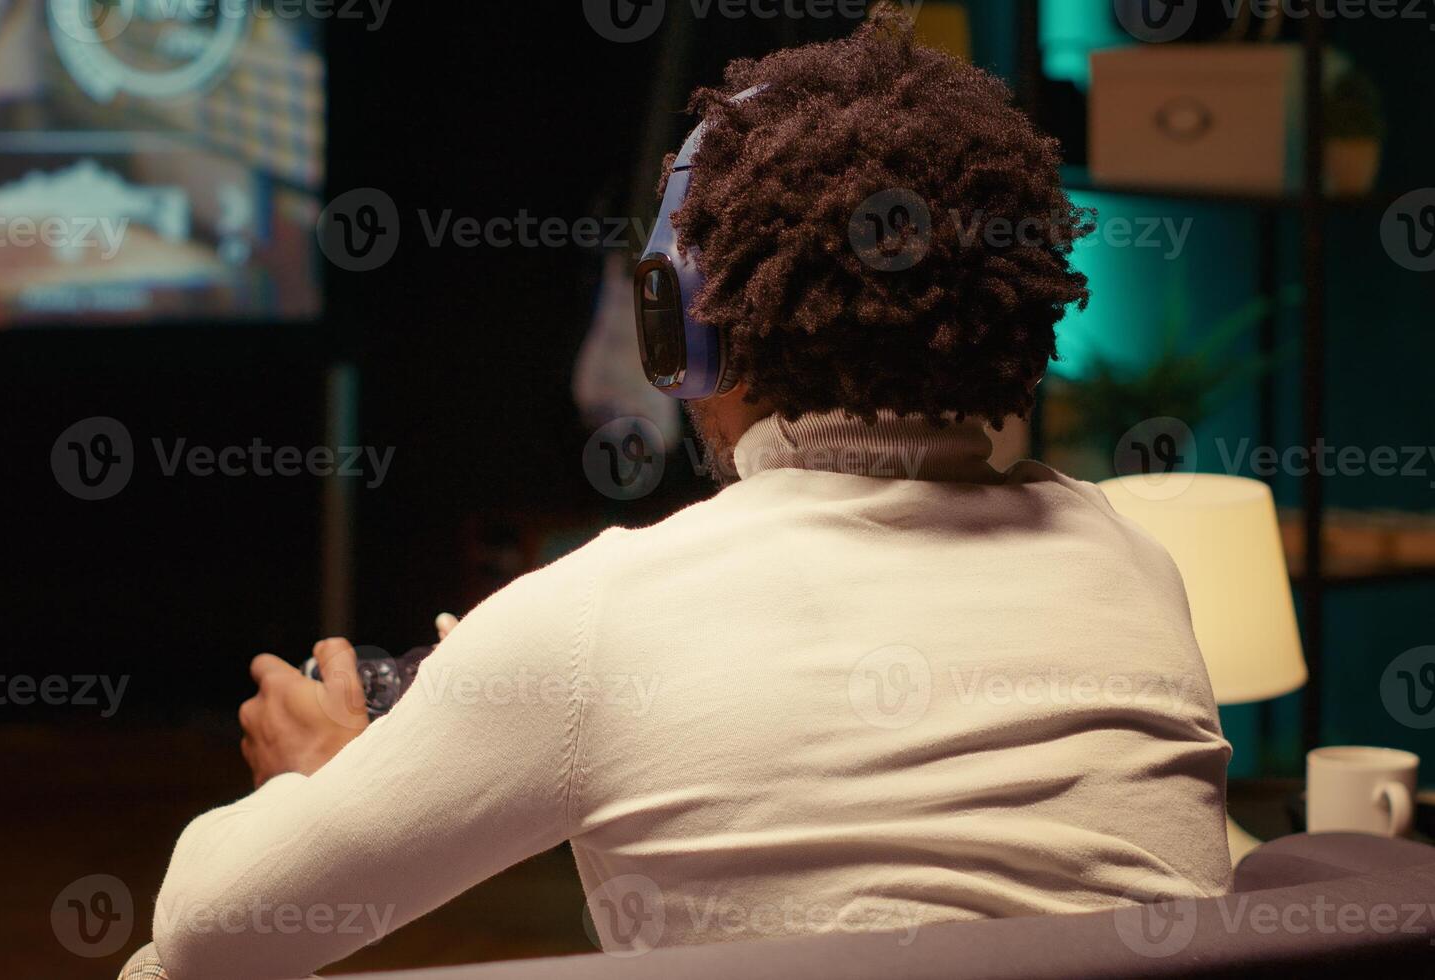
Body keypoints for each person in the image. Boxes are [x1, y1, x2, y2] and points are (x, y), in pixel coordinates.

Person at [132, 10, 1231, 978]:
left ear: (689, 324)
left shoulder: (606, 612)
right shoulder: (1134, 563)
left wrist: (311, 780)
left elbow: (210, 932)